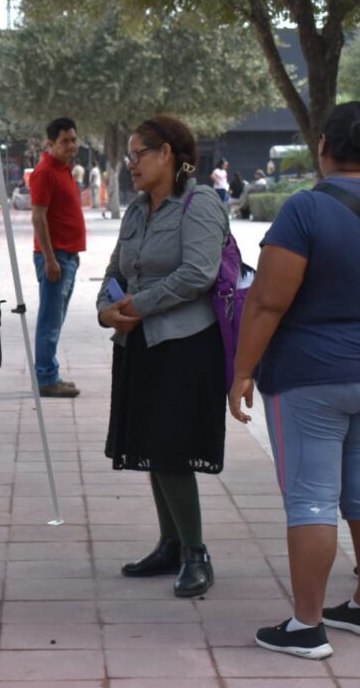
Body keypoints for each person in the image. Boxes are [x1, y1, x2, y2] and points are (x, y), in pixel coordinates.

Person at [229, 102, 360, 660]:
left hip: (310, 374)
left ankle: (307, 625)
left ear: (325, 146)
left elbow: (268, 302)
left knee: (312, 500)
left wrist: (243, 371)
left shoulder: (305, 209)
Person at [97, 115, 228, 599]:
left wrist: (139, 306)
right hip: (138, 343)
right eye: (129, 155)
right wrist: (107, 311)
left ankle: (196, 553)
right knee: (152, 447)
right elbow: (115, 271)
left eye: (139, 154)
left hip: (184, 346)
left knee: (171, 449)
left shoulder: (200, 202)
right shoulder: (136, 210)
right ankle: (170, 543)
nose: (130, 164)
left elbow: (199, 272)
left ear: (167, 154)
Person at [30, 118, 86, 397]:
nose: (72, 145)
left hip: (67, 257)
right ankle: (46, 379)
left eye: (74, 139)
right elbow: (38, 217)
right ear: (50, 143)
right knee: (49, 322)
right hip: (55, 259)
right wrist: (51, 259)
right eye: (65, 141)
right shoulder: (45, 172)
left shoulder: (64, 170)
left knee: (55, 320)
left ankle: (50, 373)